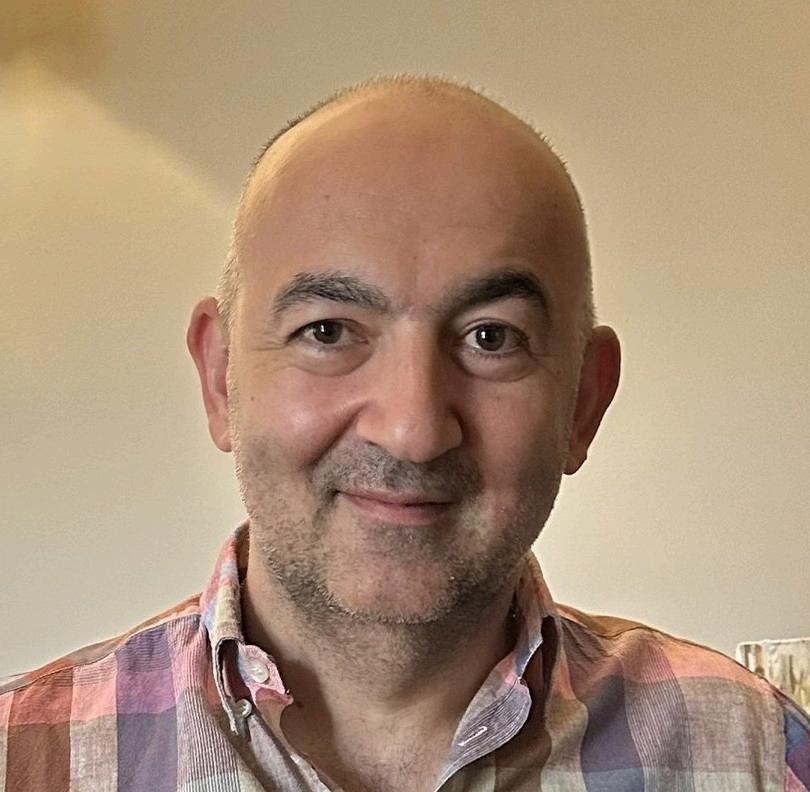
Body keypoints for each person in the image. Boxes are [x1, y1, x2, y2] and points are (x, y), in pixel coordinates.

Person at [1, 75, 808, 792]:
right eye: (327, 331)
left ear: (584, 402)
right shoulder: (23, 760)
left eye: (491, 337)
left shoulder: (757, 754)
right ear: (220, 379)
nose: (413, 430)